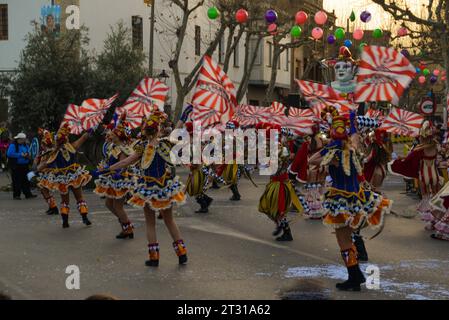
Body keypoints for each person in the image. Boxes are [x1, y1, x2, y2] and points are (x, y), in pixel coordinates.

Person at [310, 106, 391, 291]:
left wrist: (329, 156)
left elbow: (312, 160)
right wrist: (353, 118)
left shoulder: (332, 150)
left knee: (343, 240)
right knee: (349, 237)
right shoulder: (353, 147)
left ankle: (354, 276)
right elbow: (354, 135)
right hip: (356, 198)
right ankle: (355, 274)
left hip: (340, 199)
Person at [107, 110, 187, 267]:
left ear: (145, 131)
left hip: (148, 189)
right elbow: (178, 129)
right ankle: (182, 253)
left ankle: (154, 257)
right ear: (158, 130)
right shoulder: (165, 143)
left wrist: (108, 169)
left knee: (150, 223)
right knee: (169, 220)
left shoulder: (141, 147)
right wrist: (183, 116)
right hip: (165, 187)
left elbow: (126, 162)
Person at [37, 124, 92, 228]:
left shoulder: (53, 153)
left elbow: (40, 167)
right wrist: (90, 128)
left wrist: (38, 167)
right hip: (74, 175)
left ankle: (65, 221)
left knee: (65, 201)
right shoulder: (72, 146)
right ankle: (85, 218)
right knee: (79, 197)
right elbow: (84, 137)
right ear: (66, 138)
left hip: (62, 177)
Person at [94, 114, 135, 239]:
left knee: (118, 206)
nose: (110, 134)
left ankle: (127, 228)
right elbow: (110, 161)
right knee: (108, 204)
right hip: (112, 179)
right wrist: (103, 169)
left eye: (113, 133)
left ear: (118, 136)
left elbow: (122, 165)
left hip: (120, 180)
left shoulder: (123, 149)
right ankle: (125, 224)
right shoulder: (113, 147)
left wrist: (113, 172)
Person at [6, 133, 36, 200]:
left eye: (24, 139)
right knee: (17, 181)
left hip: (25, 165)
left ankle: (28, 194)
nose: (23, 141)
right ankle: (16, 195)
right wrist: (20, 155)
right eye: (22, 139)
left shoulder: (25, 145)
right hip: (16, 166)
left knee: (26, 180)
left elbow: (29, 152)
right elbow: (9, 154)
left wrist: (28, 155)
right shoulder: (13, 145)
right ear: (18, 139)